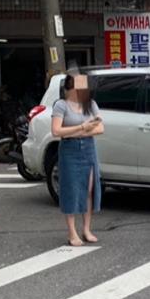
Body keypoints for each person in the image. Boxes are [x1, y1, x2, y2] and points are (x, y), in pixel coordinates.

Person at [52, 72, 105, 246]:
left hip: (88, 148)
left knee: (88, 190)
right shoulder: (61, 105)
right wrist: (83, 127)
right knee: (71, 190)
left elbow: (100, 128)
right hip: (69, 150)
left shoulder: (91, 104)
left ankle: (87, 229)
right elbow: (56, 131)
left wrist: (80, 131)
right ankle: (72, 232)